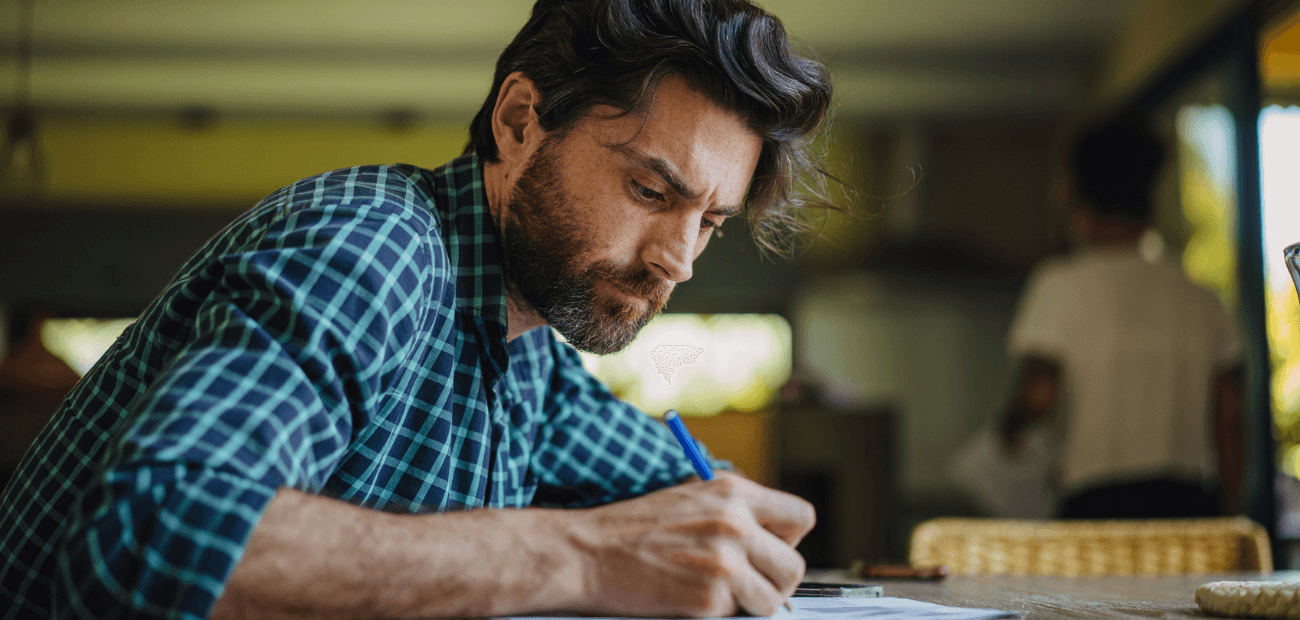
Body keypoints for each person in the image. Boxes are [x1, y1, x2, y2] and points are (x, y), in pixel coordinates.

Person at [0, 0, 835, 617]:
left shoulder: (528, 349)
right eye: (652, 189)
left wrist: (730, 520)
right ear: (519, 122)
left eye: (711, 223)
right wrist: (580, 554)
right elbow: (154, 537)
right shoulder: (376, 249)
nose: (678, 260)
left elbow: (678, 494)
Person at [999, 116, 1244, 519]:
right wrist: (1230, 514)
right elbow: (1230, 420)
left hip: (1096, 507)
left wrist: (1009, 426)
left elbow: (1038, 396)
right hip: (1187, 505)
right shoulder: (1203, 299)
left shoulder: (1059, 285)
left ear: (1074, 196)